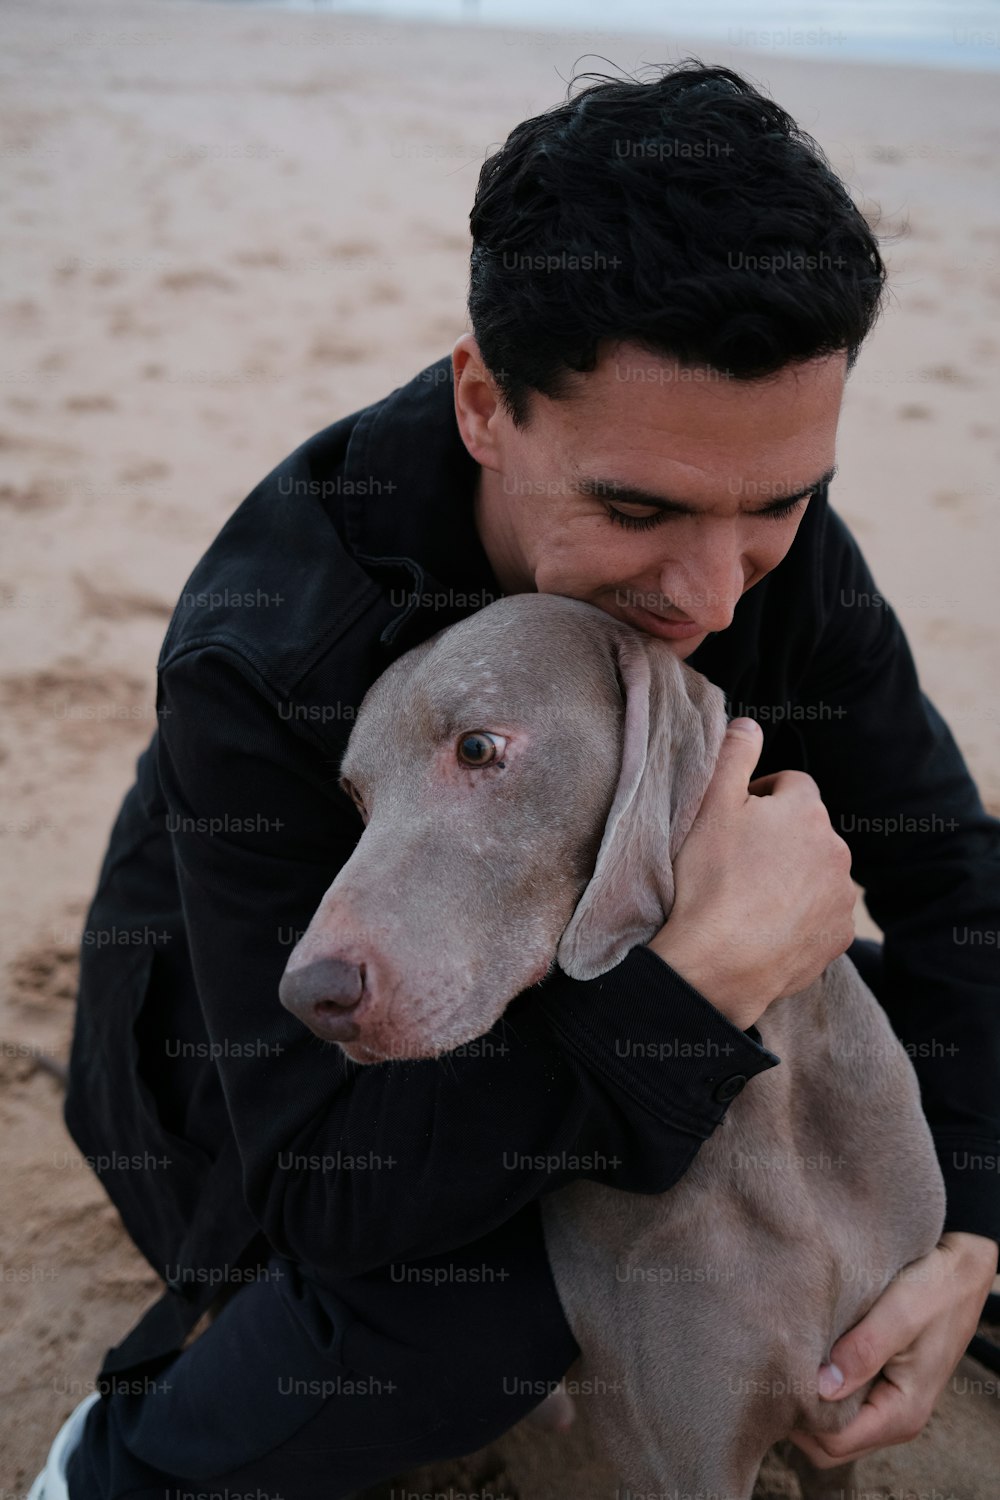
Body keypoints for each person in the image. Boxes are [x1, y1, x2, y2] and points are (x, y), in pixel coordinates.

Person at [30, 61, 999, 1500]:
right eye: (635, 508)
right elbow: (332, 1184)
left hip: (574, 965)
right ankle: (117, 1463)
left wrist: (970, 1234)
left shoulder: (729, 517)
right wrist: (691, 991)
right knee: (469, 1313)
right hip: (252, 1063)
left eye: (779, 505)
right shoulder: (272, 642)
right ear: (487, 406)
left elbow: (950, 883)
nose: (714, 592)